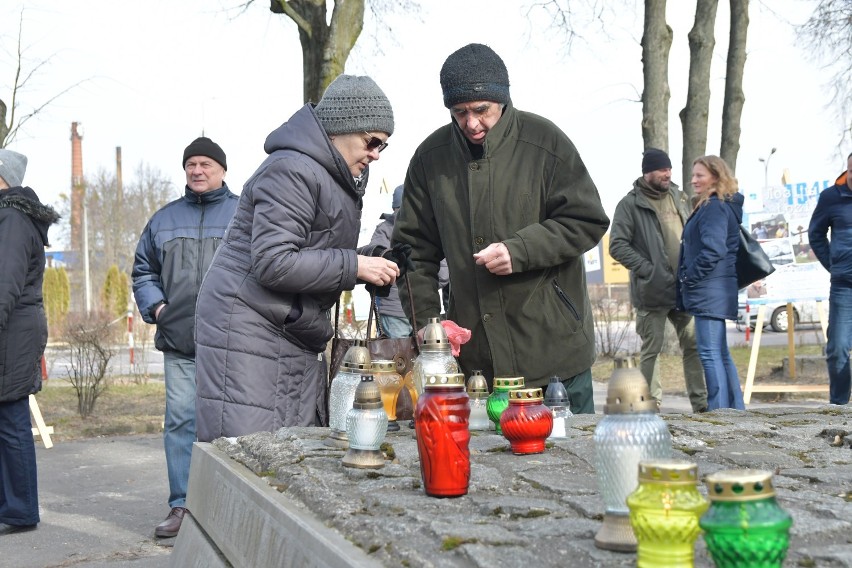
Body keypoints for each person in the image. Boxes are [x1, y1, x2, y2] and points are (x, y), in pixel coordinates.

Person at [393, 44, 609, 413]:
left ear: (503, 101)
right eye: (459, 113)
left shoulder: (545, 142)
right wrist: (431, 329)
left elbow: (586, 219)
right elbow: (413, 252)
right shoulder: (430, 159)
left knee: (575, 466)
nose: (472, 123)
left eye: (482, 111)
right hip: (476, 364)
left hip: (552, 352)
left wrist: (519, 250)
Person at [195, 74, 400, 441]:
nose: (375, 155)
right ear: (341, 128)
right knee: (251, 456)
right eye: (371, 142)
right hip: (250, 329)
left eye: (383, 146)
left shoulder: (324, 174)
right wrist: (355, 266)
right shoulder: (292, 170)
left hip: (285, 325)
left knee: (285, 453)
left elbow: (312, 251)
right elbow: (276, 262)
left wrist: (372, 259)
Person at [132, 136, 238, 538]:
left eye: (205, 164)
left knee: (231, 422)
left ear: (222, 170)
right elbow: (143, 271)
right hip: (179, 342)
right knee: (180, 420)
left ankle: (230, 503)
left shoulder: (244, 212)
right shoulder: (163, 219)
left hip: (231, 340)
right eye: (191, 164)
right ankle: (181, 505)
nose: (197, 170)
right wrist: (160, 310)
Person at [609, 148, 707, 413]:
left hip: (683, 287)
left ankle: (702, 404)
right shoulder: (629, 204)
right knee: (652, 349)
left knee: (694, 347)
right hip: (652, 290)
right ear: (647, 172)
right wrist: (648, 269)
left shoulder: (679, 196)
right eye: (663, 169)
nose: (668, 173)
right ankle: (651, 406)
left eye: (670, 169)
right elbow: (617, 245)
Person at [0, 149, 59, 534]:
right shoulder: (12, 215)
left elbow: (4, 284)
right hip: (17, 330)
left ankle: (20, 510)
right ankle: (15, 507)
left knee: (11, 418)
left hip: (12, 334)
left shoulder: (10, 217)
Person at [677, 155, 744, 411]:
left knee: (709, 352)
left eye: (700, 175)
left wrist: (688, 276)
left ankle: (719, 411)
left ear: (715, 177)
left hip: (709, 289)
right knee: (720, 352)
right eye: (693, 175)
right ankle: (734, 409)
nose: (693, 180)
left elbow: (713, 249)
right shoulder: (716, 205)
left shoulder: (713, 207)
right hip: (715, 287)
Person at [367, 184, 448, 337]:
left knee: (396, 357)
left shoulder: (383, 229)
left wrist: (399, 277)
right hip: (423, 306)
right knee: (423, 355)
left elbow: (377, 259)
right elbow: (444, 271)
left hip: (393, 308)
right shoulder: (429, 230)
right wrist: (424, 281)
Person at [808, 153, 852, 405]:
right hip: (844, 286)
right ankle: (839, 408)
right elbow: (815, 235)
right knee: (837, 349)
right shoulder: (831, 198)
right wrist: (834, 265)